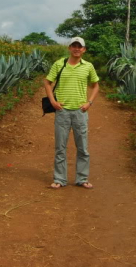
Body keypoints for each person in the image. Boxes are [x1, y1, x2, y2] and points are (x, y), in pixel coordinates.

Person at [43, 36, 100, 189]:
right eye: (74, 46)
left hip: (80, 112)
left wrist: (89, 102)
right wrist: (53, 102)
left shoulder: (88, 66)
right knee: (60, 147)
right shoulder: (59, 64)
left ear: (84, 49)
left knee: (83, 148)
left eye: (79, 46)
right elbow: (47, 82)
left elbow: (96, 86)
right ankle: (59, 179)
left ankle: (82, 178)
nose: (76, 49)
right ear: (69, 48)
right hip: (62, 112)